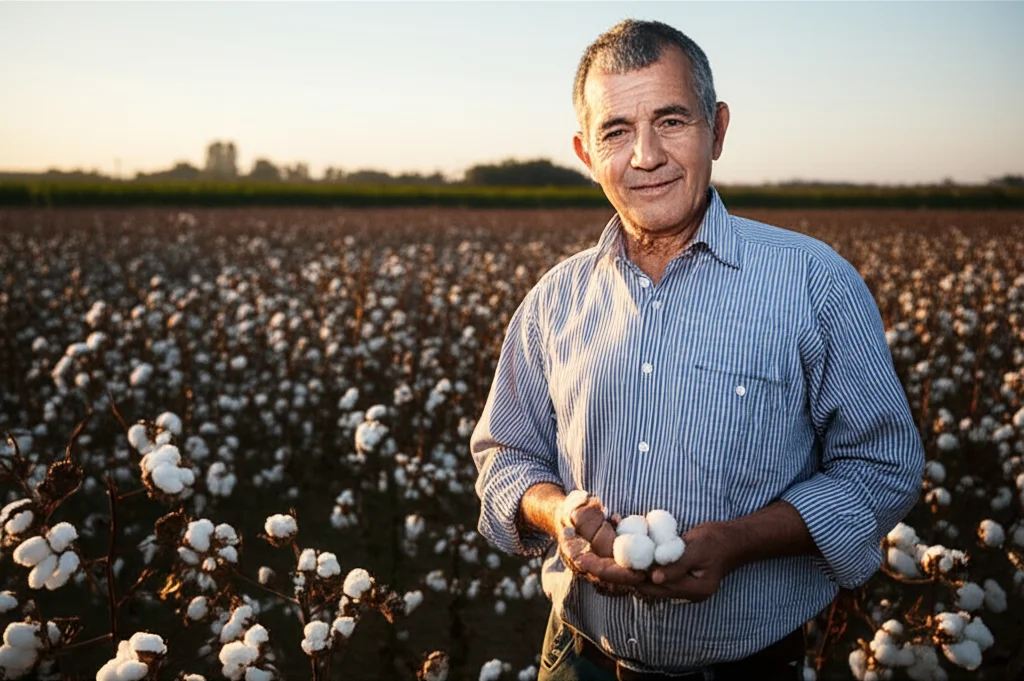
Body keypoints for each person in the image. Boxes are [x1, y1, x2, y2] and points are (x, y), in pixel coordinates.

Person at [471, 18, 925, 681]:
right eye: (616, 131)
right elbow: (505, 454)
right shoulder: (553, 300)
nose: (646, 154)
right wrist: (557, 510)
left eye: (672, 121)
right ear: (584, 151)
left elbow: (883, 465)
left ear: (718, 128)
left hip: (751, 664)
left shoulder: (813, 282)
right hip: (577, 657)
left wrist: (736, 543)